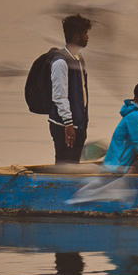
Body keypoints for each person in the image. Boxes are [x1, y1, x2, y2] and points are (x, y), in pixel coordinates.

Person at [49, 14, 91, 164]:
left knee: (74, 165)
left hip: (78, 124)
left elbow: (82, 93)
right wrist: (68, 123)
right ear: (75, 36)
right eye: (85, 33)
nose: (87, 37)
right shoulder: (61, 61)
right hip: (64, 127)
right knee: (64, 164)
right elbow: (60, 96)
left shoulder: (79, 58)